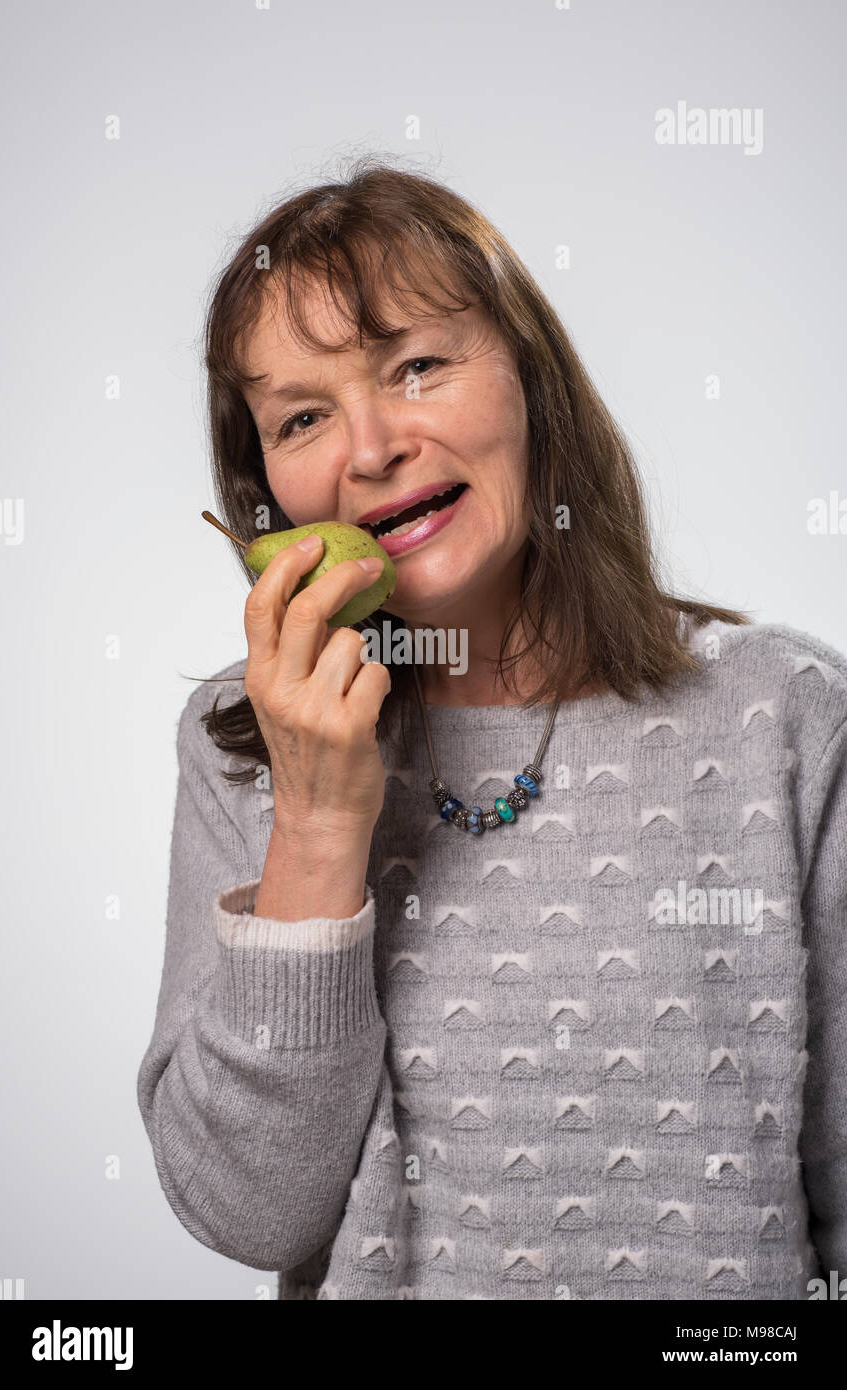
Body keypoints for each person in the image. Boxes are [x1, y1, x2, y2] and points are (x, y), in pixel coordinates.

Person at [137, 157, 847, 1300]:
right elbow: (246, 1210)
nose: (369, 449)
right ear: (265, 488)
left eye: (416, 365)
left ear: (530, 381)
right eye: (304, 415)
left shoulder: (785, 719)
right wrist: (318, 825)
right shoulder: (241, 740)